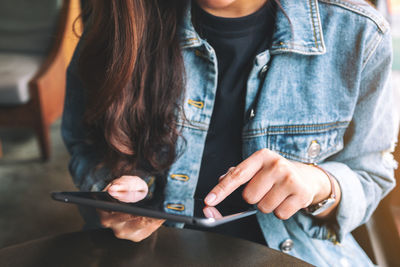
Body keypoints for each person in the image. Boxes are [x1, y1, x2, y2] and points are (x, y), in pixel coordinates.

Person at [62, 0, 397, 266]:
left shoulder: (359, 32)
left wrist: (318, 184)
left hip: (299, 254)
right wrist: (114, 194)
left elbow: (371, 175)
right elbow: (85, 143)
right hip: (143, 252)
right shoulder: (119, 21)